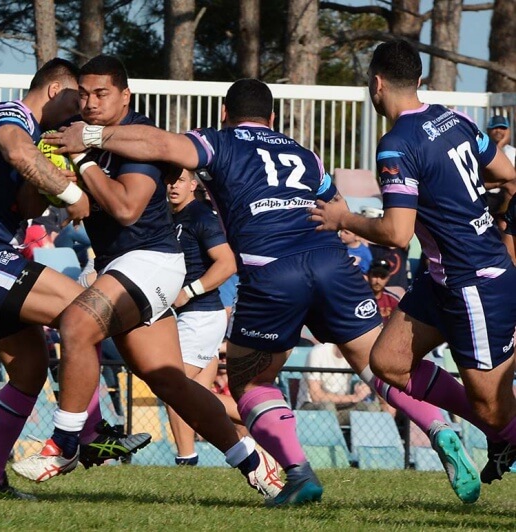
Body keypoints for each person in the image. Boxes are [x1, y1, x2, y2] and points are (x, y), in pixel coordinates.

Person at [42, 77, 483, 506]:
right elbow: (337, 207)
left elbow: (159, 145)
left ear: (224, 114)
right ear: (272, 118)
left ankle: (298, 474)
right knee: (378, 366)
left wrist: (93, 135)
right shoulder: (304, 153)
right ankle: (438, 426)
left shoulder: (219, 140)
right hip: (332, 263)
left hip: (274, 271)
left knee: (250, 382)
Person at [12, 56, 283, 502]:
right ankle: (256, 464)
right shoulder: (76, 132)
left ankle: (63, 445)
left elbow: (124, 209)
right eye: (84, 93)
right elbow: (53, 208)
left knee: (76, 324)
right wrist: (46, 176)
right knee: (171, 381)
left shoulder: (139, 138)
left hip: (153, 260)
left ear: (125, 96)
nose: (91, 102)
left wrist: (81, 162)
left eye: (102, 94)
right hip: (120, 264)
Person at [309, 39, 516, 487]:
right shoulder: (454, 117)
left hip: (477, 282)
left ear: (376, 83)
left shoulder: (395, 144)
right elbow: (504, 173)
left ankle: (504, 433)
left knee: (494, 408)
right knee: (389, 361)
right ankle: (500, 436)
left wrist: (342, 217)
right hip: (442, 278)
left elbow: (398, 234)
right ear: (418, 81)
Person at [0, 58, 149, 501]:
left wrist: (52, 180)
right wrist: (71, 191)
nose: (83, 108)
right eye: (79, 97)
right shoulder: (10, 114)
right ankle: (93, 432)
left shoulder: (38, 135)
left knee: (29, 373)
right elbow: (17, 149)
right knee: (86, 311)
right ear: (57, 90)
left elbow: (26, 207)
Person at [166, 169, 237, 466]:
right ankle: (265, 419)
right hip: (190, 316)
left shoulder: (201, 217)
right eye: (169, 180)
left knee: (172, 386)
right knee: (199, 396)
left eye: (180, 180)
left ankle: (186, 460)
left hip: (201, 316)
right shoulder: (169, 216)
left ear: (194, 185)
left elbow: (228, 263)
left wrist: (189, 291)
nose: (173, 186)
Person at [297, 343, 378, 425]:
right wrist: (353, 398)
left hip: (342, 408)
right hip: (311, 407)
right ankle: (332, 437)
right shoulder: (318, 352)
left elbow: (370, 377)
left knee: (372, 408)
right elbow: (316, 396)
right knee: (328, 406)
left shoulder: (355, 355)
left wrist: (364, 387)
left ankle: (364, 437)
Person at [367, 258, 400, 325]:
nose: (378, 281)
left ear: (388, 278)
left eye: (382, 277)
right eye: (375, 276)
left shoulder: (393, 301)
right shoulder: (358, 298)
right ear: (368, 275)